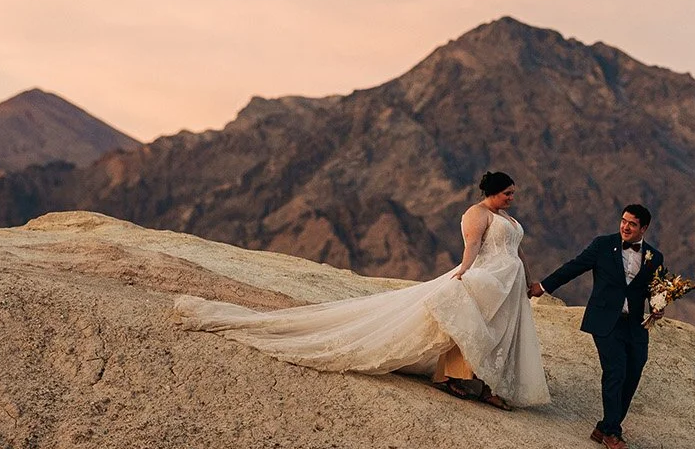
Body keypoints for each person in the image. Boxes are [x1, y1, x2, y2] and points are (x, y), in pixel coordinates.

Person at [174, 170, 549, 409]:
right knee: (468, 322)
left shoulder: (505, 217)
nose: (511, 198)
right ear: (493, 193)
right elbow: (471, 247)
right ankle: (460, 379)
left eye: (512, 194)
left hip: (508, 280)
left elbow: (518, 251)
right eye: (508, 193)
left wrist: (530, 280)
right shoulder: (476, 214)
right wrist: (463, 272)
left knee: (496, 328)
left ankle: (482, 380)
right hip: (485, 274)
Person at [528, 204, 661, 449]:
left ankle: (604, 426)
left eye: (632, 224)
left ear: (644, 228)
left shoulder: (655, 257)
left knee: (633, 373)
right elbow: (574, 267)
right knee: (615, 370)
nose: (625, 227)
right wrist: (543, 287)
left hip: (634, 325)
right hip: (605, 321)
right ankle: (612, 432)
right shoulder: (603, 245)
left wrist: (658, 306)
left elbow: (654, 290)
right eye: (623, 221)